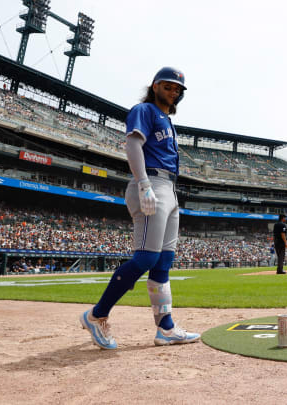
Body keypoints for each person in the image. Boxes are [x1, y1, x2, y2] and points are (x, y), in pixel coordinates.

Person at [80, 67, 199, 350]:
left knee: (163, 263)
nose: (173, 92)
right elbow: (133, 144)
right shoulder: (143, 110)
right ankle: (96, 315)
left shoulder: (168, 120)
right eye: (169, 86)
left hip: (170, 188)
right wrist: (143, 183)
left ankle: (166, 328)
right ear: (155, 85)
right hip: (152, 183)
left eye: (178, 89)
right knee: (146, 258)